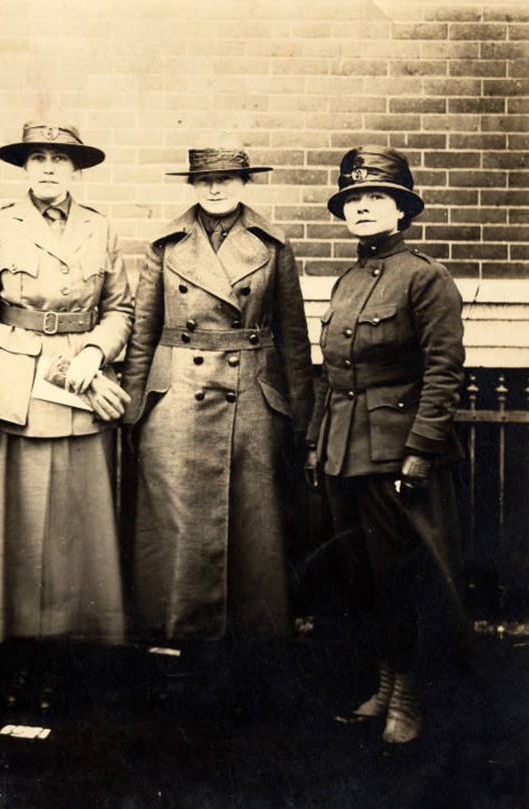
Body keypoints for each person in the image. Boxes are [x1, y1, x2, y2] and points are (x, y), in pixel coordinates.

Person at [0, 122, 133, 648]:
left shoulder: (101, 227)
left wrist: (96, 350)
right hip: (12, 390)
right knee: (11, 524)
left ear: (76, 168)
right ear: (25, 168)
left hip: (78, 384)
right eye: (38, 158)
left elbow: (121, 311)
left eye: (60, 159)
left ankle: (70, 645)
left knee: (75, 525)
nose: (48, 167)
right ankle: (4, 645)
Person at [120, 136, 314, 644]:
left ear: (244, 184)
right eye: (204, 180)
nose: (214, 189)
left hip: (250, 392)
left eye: (225, 179)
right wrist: (135, 410)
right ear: (193, 185)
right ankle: (177, 644)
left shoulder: (272, 245)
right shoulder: (165, 244)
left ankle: (252, 652)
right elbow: (143, 331)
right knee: (178, 528)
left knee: (254, 527)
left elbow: (293, 336)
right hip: (177, 396)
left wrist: (303, 417)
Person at [305, 145, 466, 744]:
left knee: (403, 576)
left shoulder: (425, 277)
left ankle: (409, 698)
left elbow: (445, 371)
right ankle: (383, 685)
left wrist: (419, 452)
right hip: (344, 450)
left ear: (401, 210)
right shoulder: (348, 278)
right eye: (353, 199)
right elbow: (335, 373)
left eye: (376, 198)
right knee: (363, 577)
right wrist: (318, 448)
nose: (363, 208)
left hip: (396, 456)